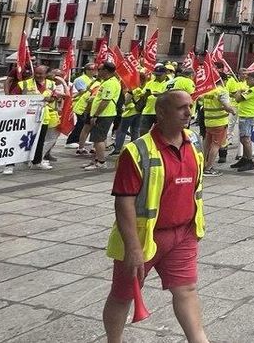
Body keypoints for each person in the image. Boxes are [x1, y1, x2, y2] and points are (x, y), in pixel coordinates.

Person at [103, 90, 209, 343]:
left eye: (190, 106)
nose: (189, 112)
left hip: (183, 234)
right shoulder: (136, 151)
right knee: (122, 295)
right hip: (142, 239)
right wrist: (133, 248)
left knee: (187, 290)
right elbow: (124, 202)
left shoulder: (194, 141)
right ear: (161, 112)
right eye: (181, 108)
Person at [84, 62, 122, 171]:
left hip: (104, 115)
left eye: (100, 69)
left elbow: (105, 101)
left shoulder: (110, 83)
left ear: (105, 71)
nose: (98, 71)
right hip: (103, 114)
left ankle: (101, 162)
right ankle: (96, 160)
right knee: (98, 138)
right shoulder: (107, 81)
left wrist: (96, 115)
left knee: (98, 139)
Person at [198, 79, 238, 178]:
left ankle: (203, 165)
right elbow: (227, 106)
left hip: (208, 121)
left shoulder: (208, 91)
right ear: (222, 81)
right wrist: (232, 111)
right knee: (216, 145)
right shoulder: (222, 91)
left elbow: (201, 102)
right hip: (219, 122)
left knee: (207, 144)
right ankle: (208, 169)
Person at [232, 71, 254, 171]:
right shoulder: (252, 89)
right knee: (243, 138)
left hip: (247, 116)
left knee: (245, 139)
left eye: (248, 79)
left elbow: (238, 99)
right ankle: (244, 158)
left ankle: (250, 161)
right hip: (245, 115)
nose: (246, 81)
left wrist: (238, 91)